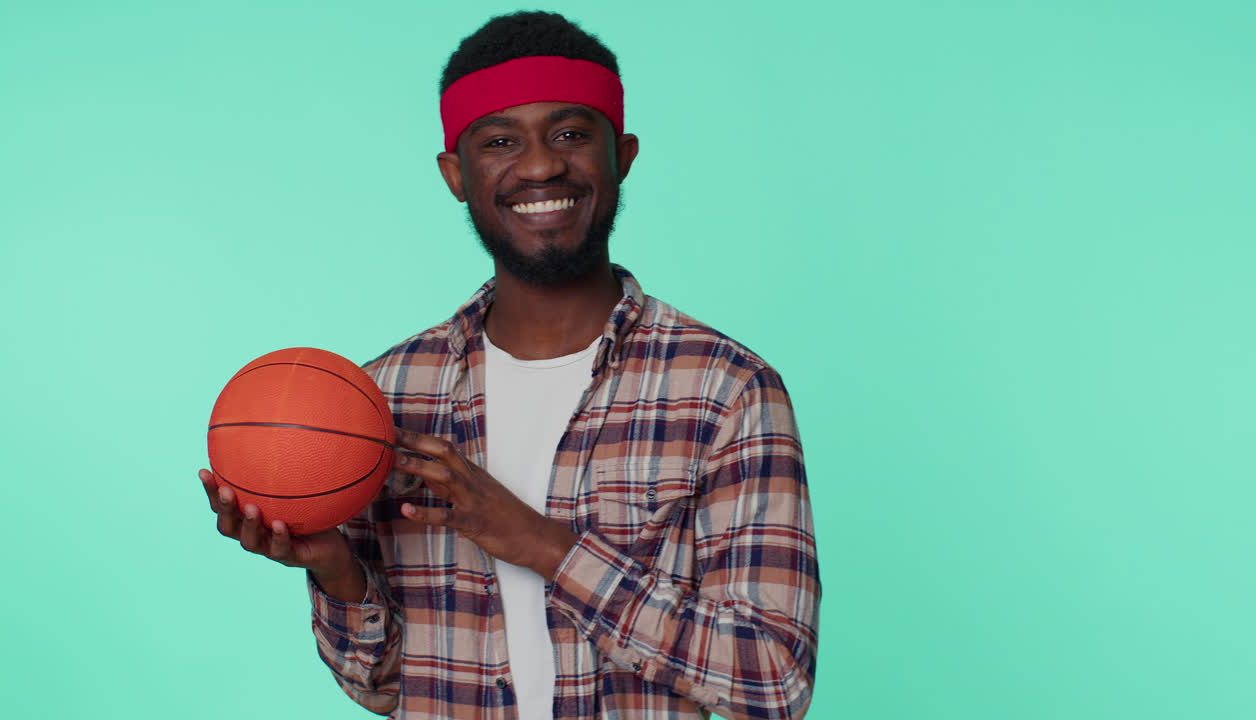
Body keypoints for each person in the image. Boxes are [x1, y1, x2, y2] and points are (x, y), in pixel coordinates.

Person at [200, 11, 820, 719]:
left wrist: (544, 546)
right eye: (499, 141)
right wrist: (337, 573)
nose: (538, 164)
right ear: (455, 174)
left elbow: (776, 682)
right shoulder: (382, 399)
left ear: (622, 154)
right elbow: (383, 686)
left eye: (570, 133)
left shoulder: (727, 390)